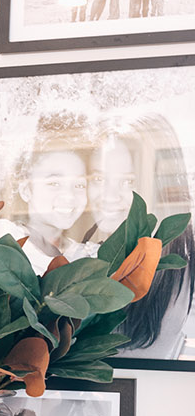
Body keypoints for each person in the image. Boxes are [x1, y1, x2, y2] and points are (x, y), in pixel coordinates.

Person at [82, 115, 195, 359]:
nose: (109, 195)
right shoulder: (85, 253)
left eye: (128, 181)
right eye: (99, 179)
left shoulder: (174, 274)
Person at [0, 111, 93, 272]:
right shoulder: (4, 237)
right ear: (26, 190)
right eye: (54, 183)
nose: (69, 196)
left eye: (79, 185)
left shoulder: (86, 256)